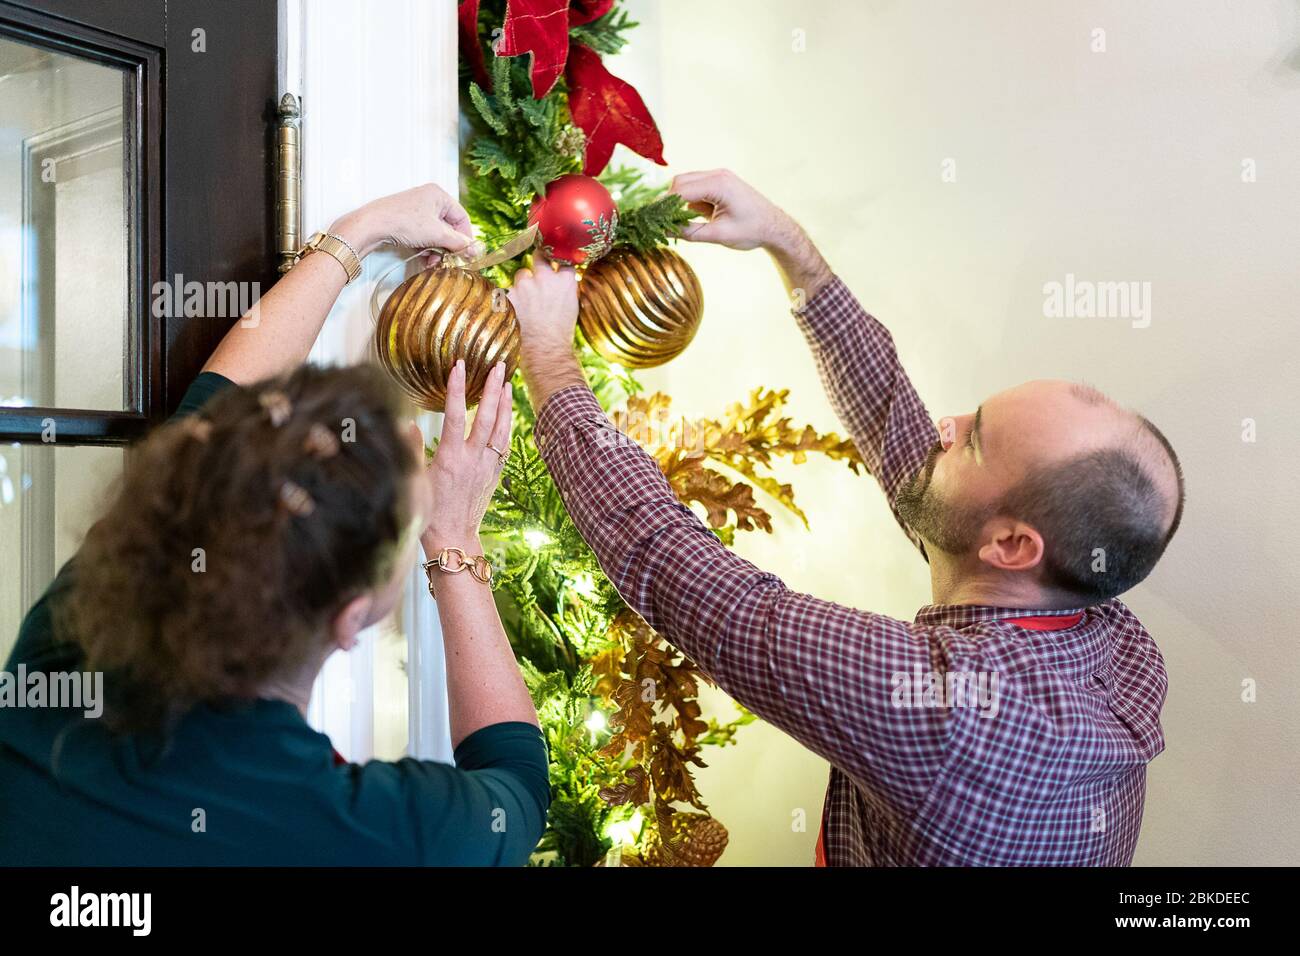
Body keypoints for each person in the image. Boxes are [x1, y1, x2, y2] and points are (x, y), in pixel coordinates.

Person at [508, 169, 1184, 866]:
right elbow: (908, 444)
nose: (943, 426)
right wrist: (785, 243)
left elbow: (683, 575)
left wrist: (550, 355)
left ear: (1012, 546)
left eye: (973, 438)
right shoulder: (1107, 633)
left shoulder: (951, 711)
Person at [0, 185, 548, 865]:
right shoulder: (367, 830)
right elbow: (518, 789)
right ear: (351, 619)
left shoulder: (68, 652)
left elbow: (209, 414)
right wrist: (456, 540)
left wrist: (361, 231)